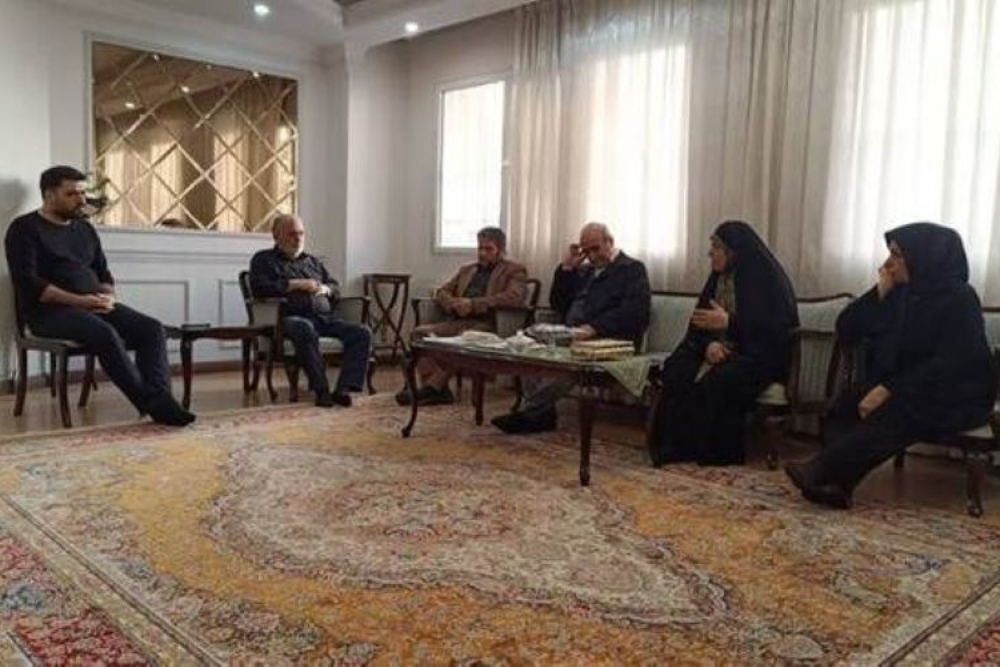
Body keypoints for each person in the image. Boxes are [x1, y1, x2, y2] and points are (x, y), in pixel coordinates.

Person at [785, 222, 996, 508]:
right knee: (846, 403)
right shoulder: (903, 292)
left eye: (897, 255)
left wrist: (888, 389)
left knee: (898, 409)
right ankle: (836, 486)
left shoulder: (960, 299)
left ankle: (822, 469)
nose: (888, 263)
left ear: (923, 258)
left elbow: (951, 363)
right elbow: (846, 327)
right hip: (911, 389)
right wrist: (878, 293)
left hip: (958, 396)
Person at [4, 166, 194, 426]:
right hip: (48, 313)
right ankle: (152, 404)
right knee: (104, 333)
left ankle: (161, 399)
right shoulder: (23, 228)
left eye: (83, 193)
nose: (81, 200)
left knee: (151, 329)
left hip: (94, 305)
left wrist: (109, 296)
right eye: (72, 194)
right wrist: (80, 301)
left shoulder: (85, 229)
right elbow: (29, 283)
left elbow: (103, 272)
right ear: (49, 195)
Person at [649, 220, 798, 466]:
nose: (710, 253)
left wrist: (730, 322)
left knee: (721, 379)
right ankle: (673, 445)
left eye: (716, 247)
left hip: (757, 357)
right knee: (678, 366)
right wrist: (708, 346)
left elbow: (774, 331)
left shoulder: (766, 279)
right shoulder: (716, 279)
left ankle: (714, 452)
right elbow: (699, 323)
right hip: (720, 350)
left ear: (733, 251)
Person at [491, 222, 651, 434]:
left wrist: (594, 328)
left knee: (568, 363)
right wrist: (566, 269)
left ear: (610, 242)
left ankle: (530, 413)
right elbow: (558, 303)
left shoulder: (631, 269)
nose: (591, 256)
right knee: (528, 347)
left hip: (609, 339)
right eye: (587, 251)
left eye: (596, 249)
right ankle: (542, 413)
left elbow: (635, 312)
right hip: (572, 334)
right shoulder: (584, 271)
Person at [249, 214, 372, 408]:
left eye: (301, 233)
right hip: (287, 319)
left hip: (324, 318)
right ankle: (321, 390)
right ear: (276, 236)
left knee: (362, 332)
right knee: (304, 327)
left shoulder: (312, 262)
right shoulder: (263, 260)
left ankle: (344, 389)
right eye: (292, 234)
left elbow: (335, 287)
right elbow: (259, 288)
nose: (298, 239)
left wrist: (325, 289)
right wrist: (295, 284)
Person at [396, 226, 527, 406]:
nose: (482, 253)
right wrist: (452, 303)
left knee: (465, 338)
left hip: (490, 324)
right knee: (420, 333)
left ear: (501, 250)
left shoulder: (514, 270)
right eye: (480, 248)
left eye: (488, 249)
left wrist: (473, 304)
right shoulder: (467, 270)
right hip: (459, 320)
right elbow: (442, 291)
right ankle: (435, 388)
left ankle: (432, 388)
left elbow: (514, 297)